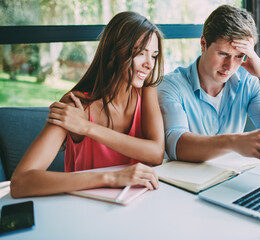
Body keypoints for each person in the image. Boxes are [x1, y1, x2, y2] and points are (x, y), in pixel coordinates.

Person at [10, 11, 165, 198]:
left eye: (154, 55)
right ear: (115, 52)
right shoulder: (76, 104)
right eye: (141, 53)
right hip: (84, 209)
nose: (149, 64)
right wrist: (111, 177)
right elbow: (20, 182)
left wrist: (87, 127)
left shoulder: (146, 89)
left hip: (138, 204)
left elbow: (156, 154)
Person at [157, 5, 260, 162]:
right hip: (184, 183)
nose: (229, 66)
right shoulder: (170, 86)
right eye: (223, 54)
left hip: (229, 179)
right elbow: (177, 146)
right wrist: (234, 142)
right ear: (203, 43)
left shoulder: (248, 82)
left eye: (239, 56)